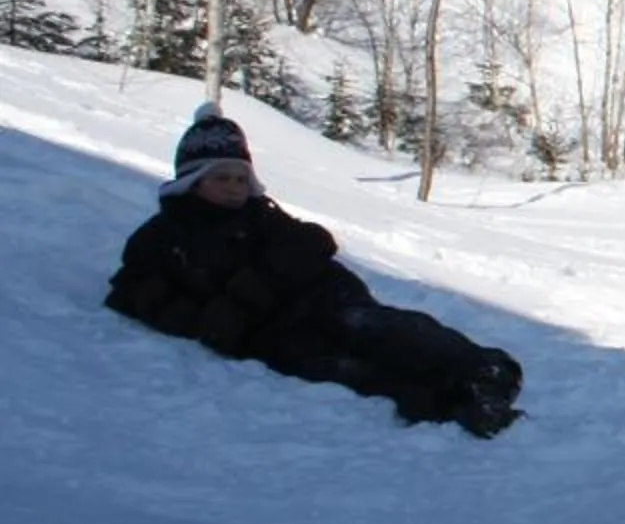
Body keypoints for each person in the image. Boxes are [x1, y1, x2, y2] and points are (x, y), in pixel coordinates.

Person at [107, 105, 525, 437]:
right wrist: (202, 320)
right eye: (222, 178)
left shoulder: (260, 217)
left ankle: (483, 370)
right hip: (269, 333)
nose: (235, 187)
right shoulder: (162, 237)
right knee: (344, 371)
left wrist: (249, 290)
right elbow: (130, 291)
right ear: (191, 180)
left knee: (380, 331)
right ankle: (449, 405)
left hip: (322, 296)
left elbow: (313, 242)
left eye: (241, 177)